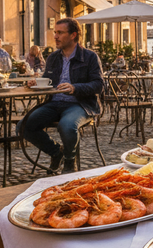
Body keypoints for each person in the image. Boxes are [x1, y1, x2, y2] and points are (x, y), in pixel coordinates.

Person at [19, 18, 104, 174]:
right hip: (54, 103)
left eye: (60, 33)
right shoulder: (53, 57)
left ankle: (70, 163)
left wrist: (75, 87)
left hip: (80, 104)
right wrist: (37, 83)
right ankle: (57, 152)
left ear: (73, 35)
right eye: (55, 32)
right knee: (23, 126)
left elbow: (99, 85)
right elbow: (50, 82)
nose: (55, 37)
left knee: (67, 125)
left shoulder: (90, 57)